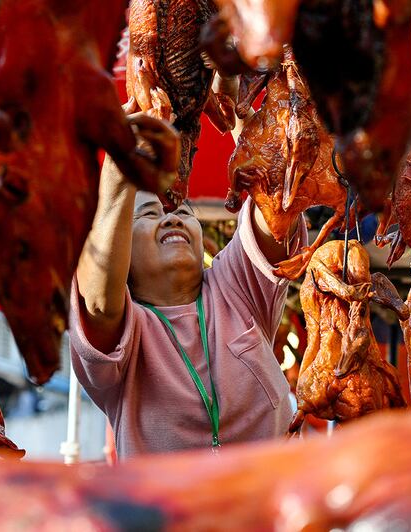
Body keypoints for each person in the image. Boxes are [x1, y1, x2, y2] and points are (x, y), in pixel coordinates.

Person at [69, 152, 307, 459]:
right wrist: (120, 160)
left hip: (280, 503)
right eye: (149, 215)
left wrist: (241, 116)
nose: (172, 218)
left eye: (183, 211)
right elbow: (98, 302)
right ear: (121, 246)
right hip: (169, 508)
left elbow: (277, 204)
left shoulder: (234, 286)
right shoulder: (126, 333)